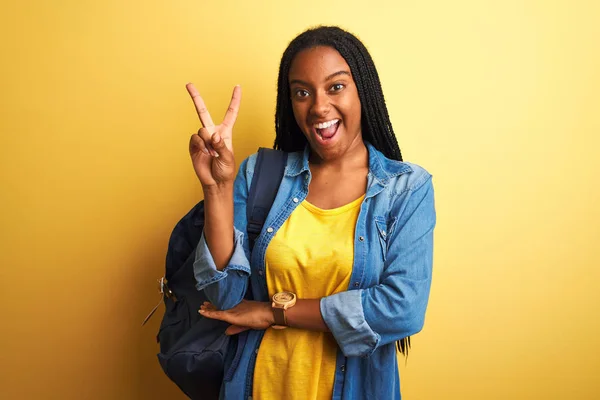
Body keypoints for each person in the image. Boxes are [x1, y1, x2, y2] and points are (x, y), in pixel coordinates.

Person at [186, 26, 436, 400]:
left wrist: (274, 313)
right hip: (257, 386)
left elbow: (403, 309)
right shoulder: (259, 175)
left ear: (362, 91)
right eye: (302, 92)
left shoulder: (405, 189)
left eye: (336, 87)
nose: (318, 106)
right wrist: (217, 189)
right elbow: (227, 300)